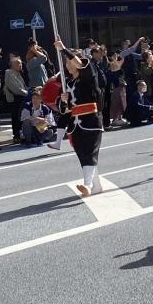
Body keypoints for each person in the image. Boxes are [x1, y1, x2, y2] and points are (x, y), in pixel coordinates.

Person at [53, 39, 105, 197]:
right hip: (75, 125)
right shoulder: (68, 82)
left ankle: (87, 185)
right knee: (84, 155)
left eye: (69, 61)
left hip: (91, 121)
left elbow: (82, 64)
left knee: (90, 152)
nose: (67, 65)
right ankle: (96, 186)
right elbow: (64, 110)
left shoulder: (89, 76)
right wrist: (63, 100)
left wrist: (63, 49)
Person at [3, 57, 29, 140]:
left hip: (22, 97)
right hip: (15, 99)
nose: (20, 65)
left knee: (20, 116)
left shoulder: (18, 73)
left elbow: (23, 86)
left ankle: (21, 133)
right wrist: (27, 93)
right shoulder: (9, 73)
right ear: (12, 65)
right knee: (16, 117)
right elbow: (15, 89)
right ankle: (17, 135)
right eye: (18, 63)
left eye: (20, 63)